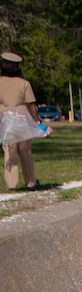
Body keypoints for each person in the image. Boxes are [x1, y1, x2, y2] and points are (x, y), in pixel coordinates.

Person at [0, 52, 40, 191]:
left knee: (9, 152)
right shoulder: (24, 84)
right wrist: (37, 122)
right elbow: (31, 105)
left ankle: (12, 183)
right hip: (22, 119)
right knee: (25, 151)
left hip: (5, 119)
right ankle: (30, 181)